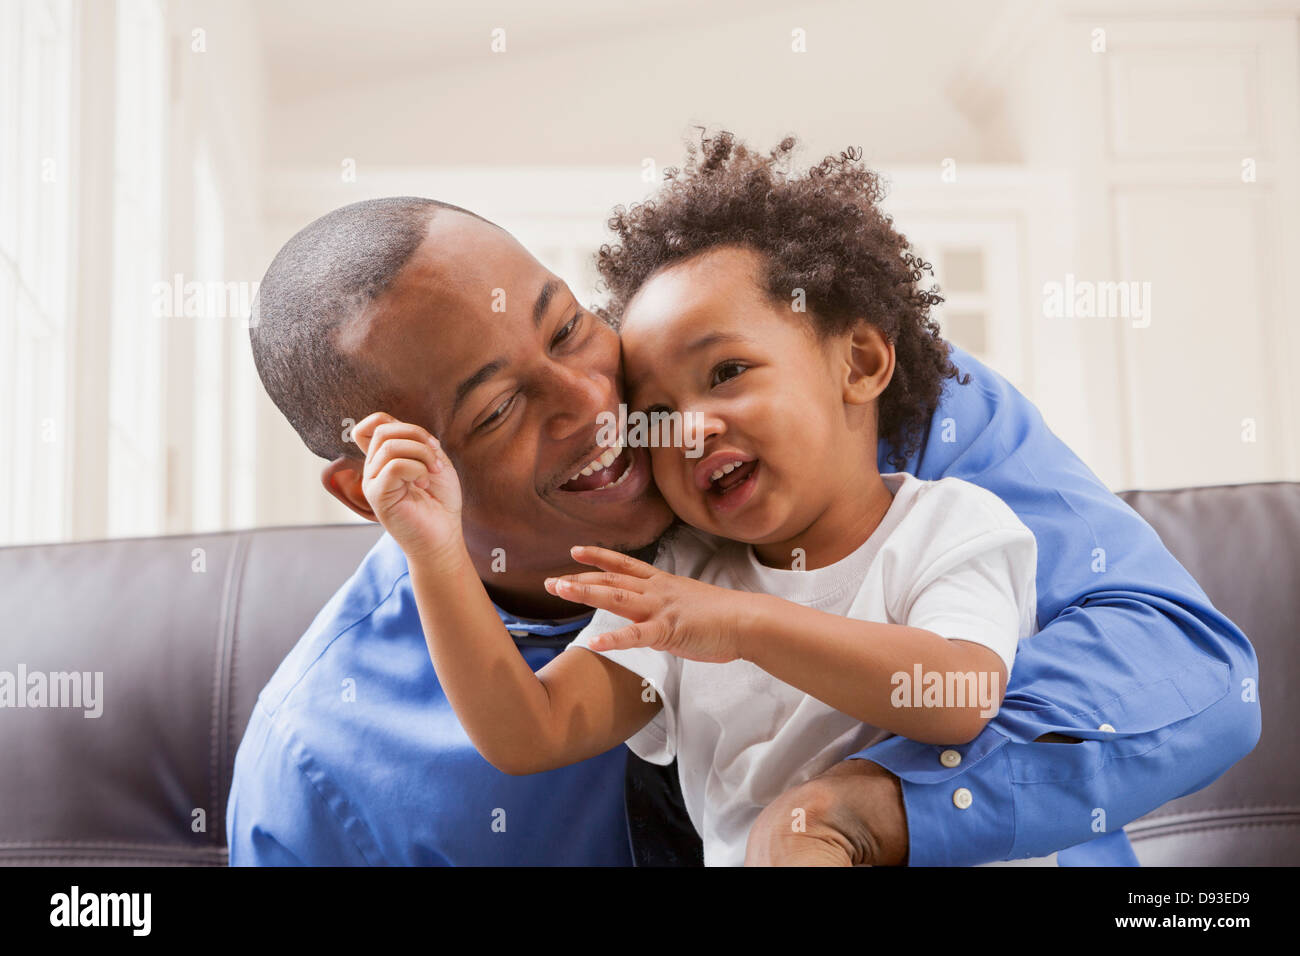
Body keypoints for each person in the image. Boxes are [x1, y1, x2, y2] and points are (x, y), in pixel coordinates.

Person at [227, 134, 1259, 867]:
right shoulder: (321, 771)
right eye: (499, 410)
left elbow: (1191, 668)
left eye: (569, 327)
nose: (600, 404)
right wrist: (441, 557)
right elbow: (530, 726)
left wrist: (872, 805)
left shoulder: (881, 417)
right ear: (369, 486)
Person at [351, 135, 1043, 866]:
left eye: (727, 372)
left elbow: (959, 696)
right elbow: (531, 732)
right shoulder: (682, 581)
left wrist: (745, 626)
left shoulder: (949, 526)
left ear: (860, 362)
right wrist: (433, 553)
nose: (685, 428)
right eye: (651, 410)